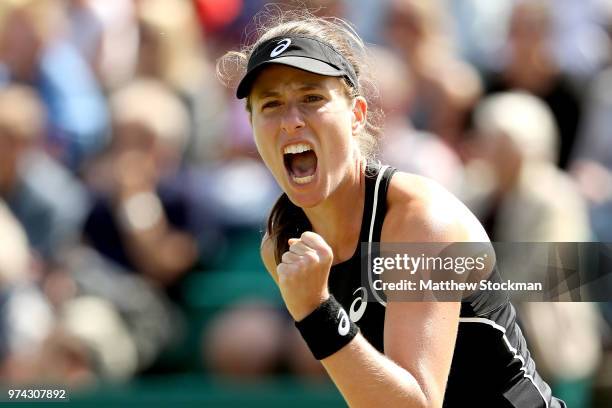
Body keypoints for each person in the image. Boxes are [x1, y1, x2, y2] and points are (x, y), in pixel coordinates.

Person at [219, 10, 566, 407]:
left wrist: (318, 313)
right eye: (271, 104)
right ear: (251, 126)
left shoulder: (420, 220)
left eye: (312, 98)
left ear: (356, 115)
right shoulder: (282, 243)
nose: (291, 121)